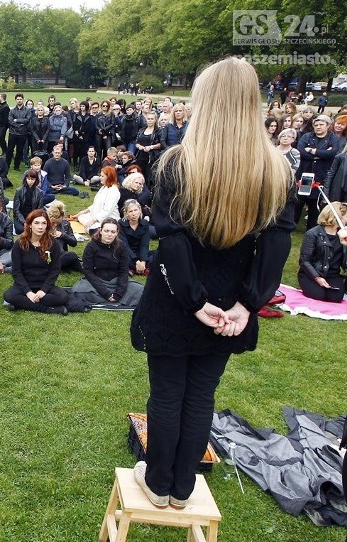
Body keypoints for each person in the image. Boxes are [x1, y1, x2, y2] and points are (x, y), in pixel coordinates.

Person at [130, 57, 295, 511]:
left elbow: (174, 243)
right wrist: (247, 303)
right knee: (199, 393)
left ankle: (164, 483)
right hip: (223, 304)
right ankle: (178, 487)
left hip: (190, 301)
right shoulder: (274, 169)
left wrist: (204, 302)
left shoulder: (179, 164)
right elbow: (275, 250)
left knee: (170, 393)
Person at [3, 209, 69, 314]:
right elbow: (16, 271)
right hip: (25, 284)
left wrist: (44, 290)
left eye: (44, 223)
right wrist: (28, 292)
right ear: (29, 225)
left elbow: (55, 270)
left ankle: (21, 303)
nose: (40, 227)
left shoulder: (53, 244)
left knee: (63, 297)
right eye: (36, 223)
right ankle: (48, 310)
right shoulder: (20, 244)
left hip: (44, 284)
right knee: (9, 296)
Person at [71, 218, 143, 306]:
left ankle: (114, 299)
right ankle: (116, 300)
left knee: (141, 291)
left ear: (117, 233)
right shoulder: (91, 246)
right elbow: (88, 271)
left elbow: (123, 271)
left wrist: (119, 293)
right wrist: (105, 293)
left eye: (113, 232)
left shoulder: (121, 246)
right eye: (106, 231)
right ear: (101, 231)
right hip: (97, 281)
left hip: (116, 280)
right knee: (77, 291)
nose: (109, 234)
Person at [297, 201, 347, 302]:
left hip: (332, 274)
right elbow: (304, 261)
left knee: (335, 298)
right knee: (318, 295)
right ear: (337, 217)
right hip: (312, 274)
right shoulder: (312, 234)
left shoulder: (343, 235)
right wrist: (317, 278)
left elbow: (345, 265)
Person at [296, 115, 339, 230]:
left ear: (328, 126)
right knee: (299, 202)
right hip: (306, 175)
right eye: (316, 125)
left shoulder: (333, 138)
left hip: (321, 176)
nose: (318, 127)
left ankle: (311, 229)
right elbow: (301, 151)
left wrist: (313, 151)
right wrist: (321, 154)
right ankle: (293, 225)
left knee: (315, 205)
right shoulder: (307, 137)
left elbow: (332, 153)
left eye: (321, 125)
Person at [73, 166, 121, 232]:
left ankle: (97, 229)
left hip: (108, 218)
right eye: (100, 176)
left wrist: (93, 220)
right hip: (96, 215)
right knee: (81, 217)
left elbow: (107, 211)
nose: (100, 178)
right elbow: (96, 204)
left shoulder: (113, 191)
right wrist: (83, 211)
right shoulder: (104, 187)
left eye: (102, 176)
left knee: (91, 227)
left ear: (109, 177)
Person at [45, 200, 81, 273]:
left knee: (72, 257)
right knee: (73, 256)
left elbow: (74, 243)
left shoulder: (65, 224)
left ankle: (87, 271)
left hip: (62, 255)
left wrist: (62, 235)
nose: (55, 225)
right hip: (47, 257)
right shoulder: (43, 225)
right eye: (53, 223)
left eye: (57, 223)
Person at [119, 199, 151, 275]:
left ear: (140, 210)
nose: (134, 214)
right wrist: (136, 261)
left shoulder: (145, 223)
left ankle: (139, 268)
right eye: (130, 211)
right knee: (120, 258)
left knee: (157, 255)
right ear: (126, 213)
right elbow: (124, 245)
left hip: (139, 252)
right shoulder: (120, 224)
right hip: (126, 252)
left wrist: (143, 261)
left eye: (135, 210)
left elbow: (144, 244)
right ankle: (140, 268)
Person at [13, 168, 44, 235]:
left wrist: (32, 220)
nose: (30, 181)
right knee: (20, 230)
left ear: (36, 180)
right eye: (28, 179)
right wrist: (24, 222)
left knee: (34, 229)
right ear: (25, 179)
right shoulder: (19, 191)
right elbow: (16, 210)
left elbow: (39, 209)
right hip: (20, 216)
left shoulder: (40, 192)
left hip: (33, 216)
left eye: (32, 179)